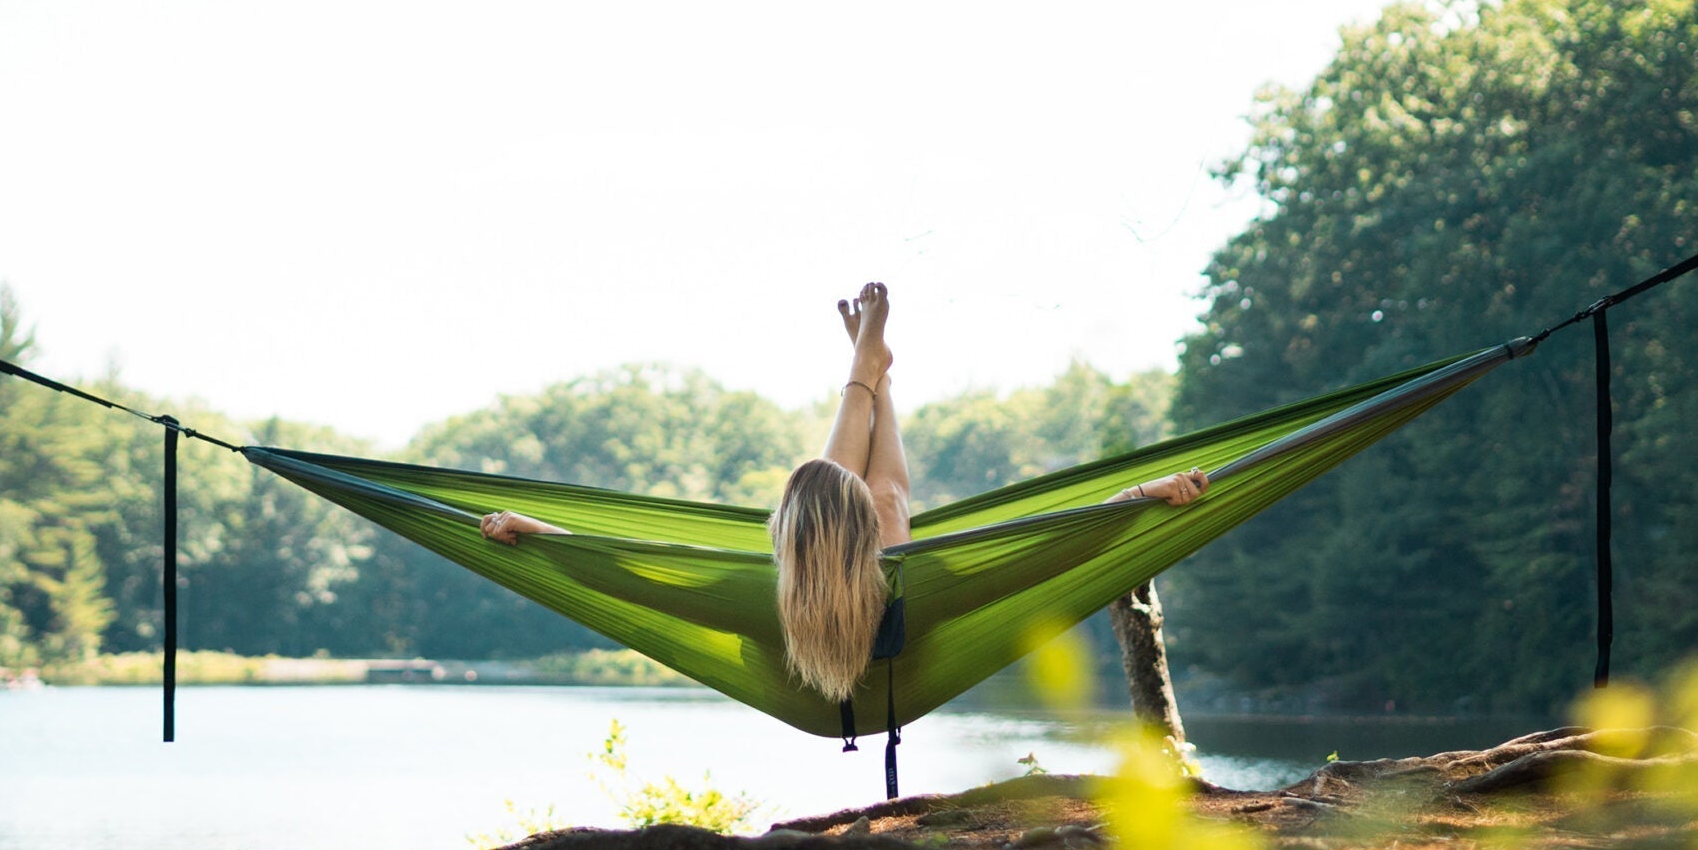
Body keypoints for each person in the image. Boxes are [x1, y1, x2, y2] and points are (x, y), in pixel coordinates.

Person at [480, 282, 1211, 704]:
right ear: (857, 535)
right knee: (890, 503)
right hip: (882, 649)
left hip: (828, 651)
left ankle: (869, 372)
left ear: (780, 534)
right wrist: (1146, 490)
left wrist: (534, 529)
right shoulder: (913, 578)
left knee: (876, 499)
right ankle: (869, 372)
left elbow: (627, 565)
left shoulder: (763, 587)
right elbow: (1056, 542)